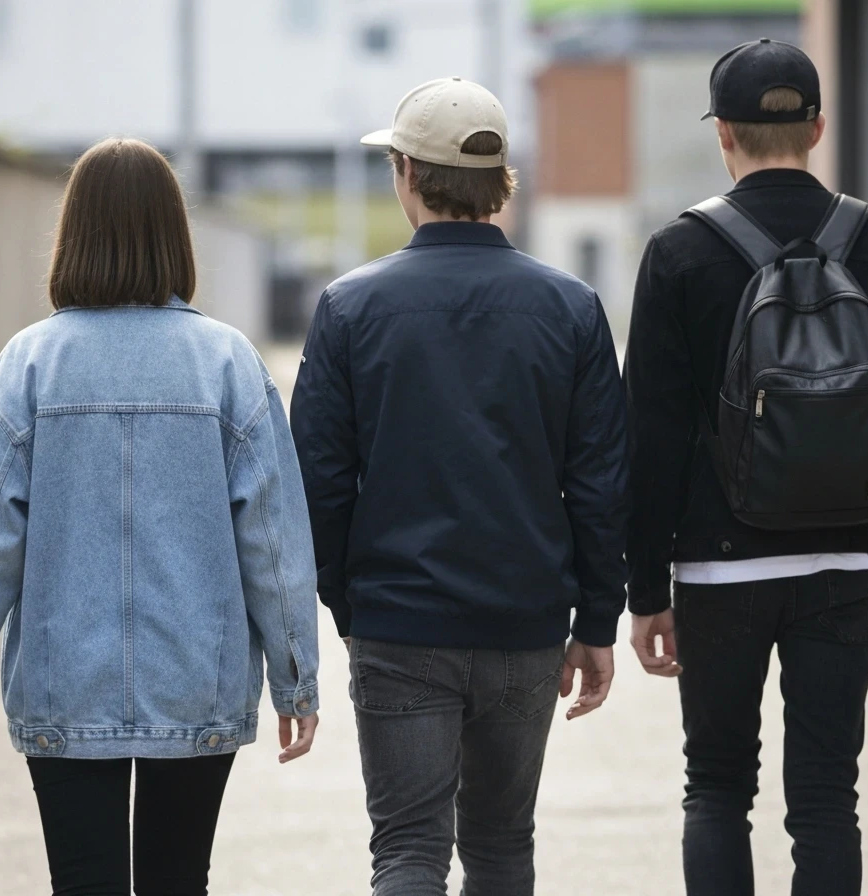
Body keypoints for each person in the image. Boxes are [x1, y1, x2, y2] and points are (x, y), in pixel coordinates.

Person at [0, 137, 320, 896]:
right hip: (197, 684)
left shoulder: (28, 366)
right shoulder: (229, 365)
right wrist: (297, 679)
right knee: (178, 882)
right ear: (175, 236)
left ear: (75, 234)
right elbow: (272, 541)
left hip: (65, 689)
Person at [623, 40, 868, 896]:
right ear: (817, 126)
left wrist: (646, 592)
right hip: (848, 561)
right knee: (825, 800)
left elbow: (648, 437)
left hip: (718, 566)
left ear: (723, 133)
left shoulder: (679, 254)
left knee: (717, 789)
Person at [290, 77, 629, 896]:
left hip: (400, 621)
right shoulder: (573, 309)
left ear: (406, 173)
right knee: (505, 848)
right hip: (524, 621)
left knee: (407, 852)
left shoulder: (349, 308)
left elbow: (319, 482)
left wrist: (344, 600)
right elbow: (600, 480)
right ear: (500, 181)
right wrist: (596, 617)